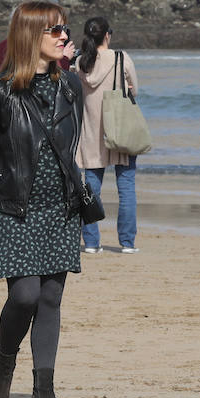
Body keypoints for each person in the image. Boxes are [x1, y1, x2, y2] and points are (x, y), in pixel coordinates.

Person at [0, 2, 86, 398]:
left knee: (51, 297)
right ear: (30, 36)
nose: (64, 38)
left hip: (61, 206)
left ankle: (44, 395)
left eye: (64, 31)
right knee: (25, 295)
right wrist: (2, 196)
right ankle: (4, 365)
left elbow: (71, 146)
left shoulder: (69, 86)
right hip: (14, 208)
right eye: (55, 31)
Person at [75, 16, 138, 254]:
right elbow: (136, 90)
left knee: (90, 188)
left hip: (91, 132)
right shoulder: (121, 58)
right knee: (126, 186)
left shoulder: (80, 62)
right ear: (107, 36)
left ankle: (91, 243)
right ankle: (127, 243)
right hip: (119, 127)